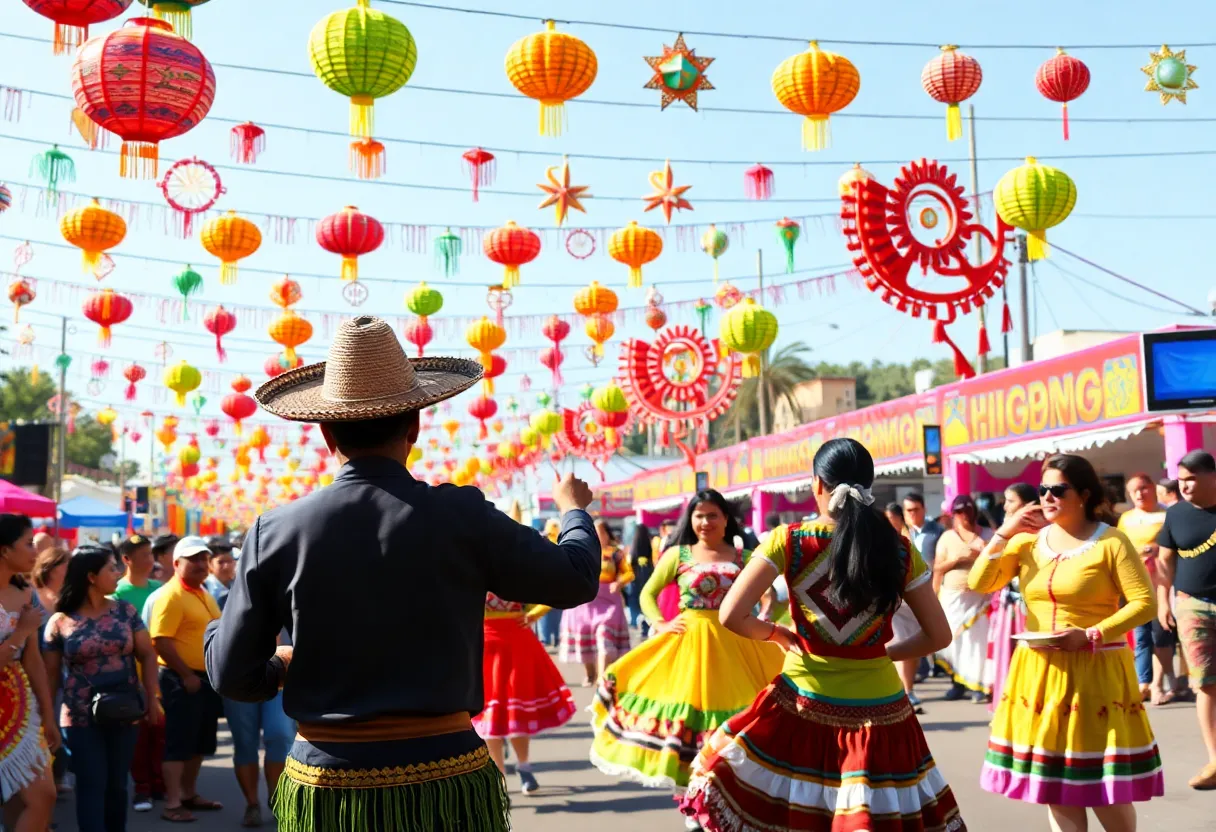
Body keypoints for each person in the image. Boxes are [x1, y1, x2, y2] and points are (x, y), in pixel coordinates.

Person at [204, 316, 600, 832]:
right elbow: (574, 577)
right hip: (445, 777)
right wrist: (573, 511)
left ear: (325, 432)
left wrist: (279, 661)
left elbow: (232, 674)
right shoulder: (462, 515)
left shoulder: (276, 530)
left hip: (328, 785)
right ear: (414, 426)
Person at [680, 439, 963, 831]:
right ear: (868, 485)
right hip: (881, 713)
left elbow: (731, 614)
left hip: (802, 703)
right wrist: (881, 654)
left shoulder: (788, 540)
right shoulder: (898, 549)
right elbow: (938, 636)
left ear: (817, 483)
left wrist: (777, 633)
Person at [970, 453, 1162, 829]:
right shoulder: (1025, 542)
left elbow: (1145, 603)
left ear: (1084, 494)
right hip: (1039, 673)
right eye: (1043, 489)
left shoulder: (1112, 541)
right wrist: (1005, 531)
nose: (1047, 496)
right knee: (1054, 784)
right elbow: (981, 582)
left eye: (1058, 489)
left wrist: (1092, 634)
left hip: (1096, 671)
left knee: (1101, 784)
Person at [590, 490, 783, 805]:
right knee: (690, 725)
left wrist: (764, 615)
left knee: (740, 719)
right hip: (689, 650)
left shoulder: (745, 557)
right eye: (699, 515)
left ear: (726, 519)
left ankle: (725, 800)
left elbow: (769, 595)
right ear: (690, 520)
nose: (705, 522)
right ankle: (692, 801)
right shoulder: (677, 555)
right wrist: (661, 624)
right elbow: (647, 594)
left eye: (712, 515)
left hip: (737, 647)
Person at [44, 545, 162, 832]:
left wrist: (152, 697)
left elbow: (147, 654)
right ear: (91, 577)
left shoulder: (126, 611)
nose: (118, 573)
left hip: (125, 710)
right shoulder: (60, 621)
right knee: (90, 784)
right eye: (111, 568)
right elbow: (49, 677)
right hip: (79, 716)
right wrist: (46, 719)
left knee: (117, 785)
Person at [202, 535, 292, 827]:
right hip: (242, 677)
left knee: (280, 737)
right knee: (245, 743)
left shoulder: (292, 589)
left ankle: (277, 800)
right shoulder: (225, 597)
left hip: (281, 676)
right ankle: (252, 804)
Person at [148, 536, 224, 823]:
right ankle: (172, 803)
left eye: (204, 558)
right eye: (193, 559)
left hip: (203, 679)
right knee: (179, 743)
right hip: (181, 680)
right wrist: (186, 674)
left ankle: (189, 794)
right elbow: (161, 641)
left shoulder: (202, 592)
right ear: (176, 563)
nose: (201, 564)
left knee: (200, 742)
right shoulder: (171, 595)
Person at [474, 588, 573, 795]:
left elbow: (550, 591)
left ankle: (524, 766)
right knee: (490, 714)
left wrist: (534, 614)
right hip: (484, 643)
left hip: (516, 642)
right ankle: (499, 776)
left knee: (516, 710)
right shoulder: (473, 572)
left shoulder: (516, 572)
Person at [1156, 449, 1216, 790]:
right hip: (1192, 606)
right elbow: (1166, 562)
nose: (1185, 486)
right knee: (1205, 684)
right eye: (1181, 480)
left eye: (1192, 479)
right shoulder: (1176, 513)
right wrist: (1163, 601)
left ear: (1212, 477)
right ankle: (1215, 760)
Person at [0, 514, 58, 832]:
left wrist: (48, 715)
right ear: (4, 550)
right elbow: (23, 643)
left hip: (20, 710)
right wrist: (21, 632)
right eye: (28, 544)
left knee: (39, 797)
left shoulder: (26, 592)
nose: (36, 552)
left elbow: (33, 660)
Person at [110, 534, 165, 812]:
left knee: (160, 731)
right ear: (126, 559)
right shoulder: (116, 594)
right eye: (143, 555)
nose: (149, 560)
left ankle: (160, 783)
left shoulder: (160, 589)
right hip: (132, 674)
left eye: (150, 554)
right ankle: (141, 788)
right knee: (140, 733)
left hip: (160, 671)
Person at [1117, 473, 1177, 705]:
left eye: (1144, 488)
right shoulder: (1126, 519)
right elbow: (1120, 548)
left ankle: (1163, 682)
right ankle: (1144, 683)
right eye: (1134, 491)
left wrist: (1157, 548)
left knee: (1161, 635)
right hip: (1136, 585)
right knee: (1141, 636)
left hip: (1163, 583)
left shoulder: (1168, 514)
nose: (1140, 494)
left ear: (1153, 488)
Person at [982, 483, 1037, 715]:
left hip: (1029, 605)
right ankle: (1009, 707)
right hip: (1009, 603)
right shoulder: (1008, 527)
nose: (1005, 506)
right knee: (1007, 655)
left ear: (1027, 504)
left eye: (1011, 501)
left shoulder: (1037, 530)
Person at [934, 494, 995, 702]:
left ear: (974, 512)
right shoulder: (947, 537)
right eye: (959, 512)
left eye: (968, 510)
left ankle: (979, 685)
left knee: (978, 644)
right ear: (953, 514)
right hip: (954, 599)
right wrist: (957, 560)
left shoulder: (988, 535)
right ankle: (957, 684)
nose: (964, 515)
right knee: (956, 643)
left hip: (981, 599)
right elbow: (937, 568)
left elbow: (999, 562)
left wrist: (982, 553)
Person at [560, 519, 632, 686]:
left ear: (607, 534)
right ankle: (590, 675)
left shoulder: (615, 553)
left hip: (608, 604)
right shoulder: (580, 551)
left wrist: (619, 582)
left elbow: (629, 573)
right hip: (583, 603)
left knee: (604, 640)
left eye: (601, 532)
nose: (598, 535)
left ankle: (602, 678)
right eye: (594, 532)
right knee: (584, 639)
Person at [537, 518, 564, 648]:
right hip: (556, 583)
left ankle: (546, 639)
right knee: (555, 614)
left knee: (547, 613)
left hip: (547, 582)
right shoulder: (562, 540)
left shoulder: (541, 539)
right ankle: (555, 638)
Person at [625, 523, 655, 639]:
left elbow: (629, 563)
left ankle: (635, 622)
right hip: (647, 578)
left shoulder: (633, 548)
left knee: (635, 601)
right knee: (645, 601)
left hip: (635, 579)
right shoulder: (649, 547)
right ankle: (646, 625)